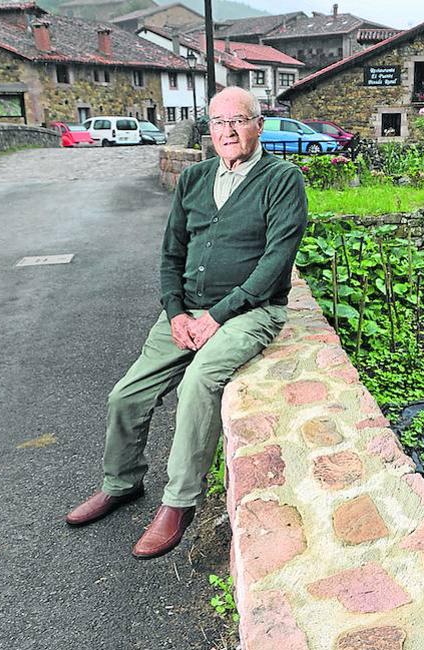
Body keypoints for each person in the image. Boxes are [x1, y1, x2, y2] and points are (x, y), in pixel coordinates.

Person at [64, 87, 307, 559]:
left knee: (198, 382)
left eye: (239, 120)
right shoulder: (194, 179)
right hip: (185, 311)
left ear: (259, 125)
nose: (228, 130)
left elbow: (277, 261)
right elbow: (171, 254)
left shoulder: (282, 180)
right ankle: (121, 481)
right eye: (218, 122)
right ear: (208, 129)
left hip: (251, 311)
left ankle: (178, 502)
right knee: (126, 394)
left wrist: (216, 316)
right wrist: (175, 311)